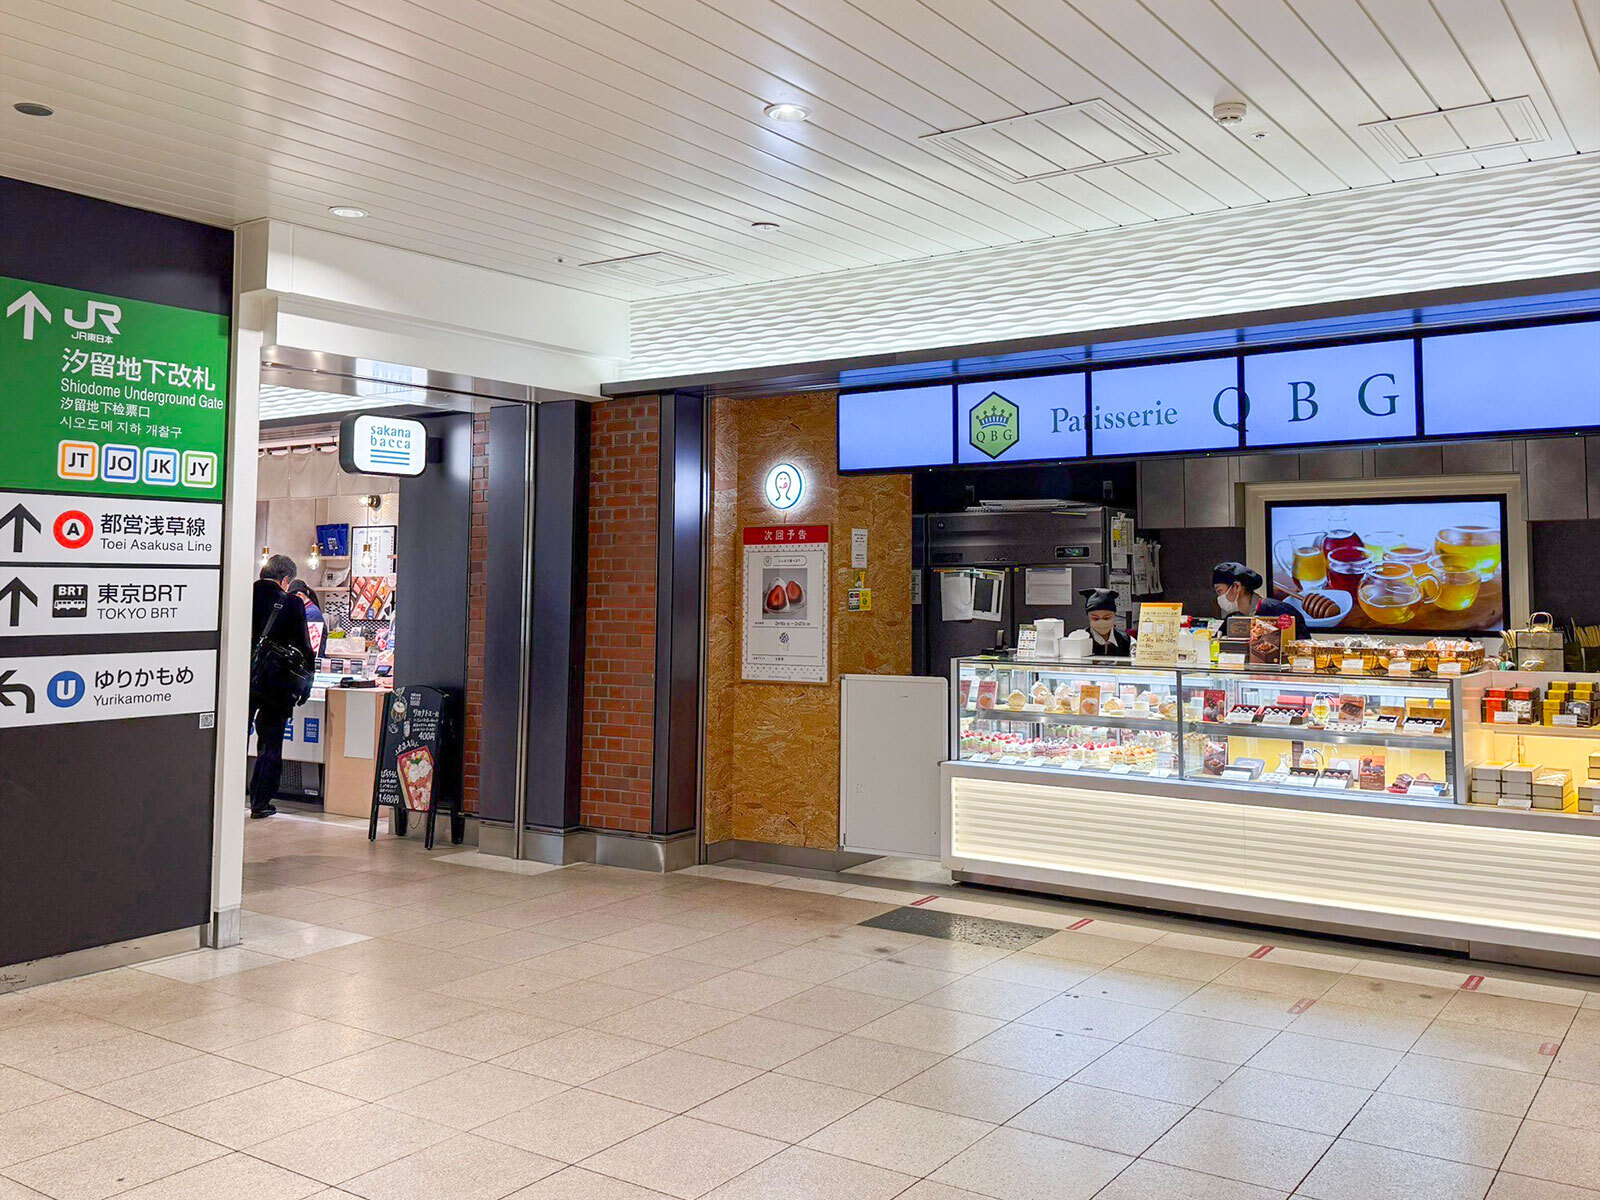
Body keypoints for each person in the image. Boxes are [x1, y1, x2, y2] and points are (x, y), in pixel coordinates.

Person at [250, 554, 313, 819]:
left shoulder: (242, 594)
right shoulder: (292, 603)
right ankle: (260, 802)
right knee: (270, 745)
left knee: (231, 738)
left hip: (240, 680)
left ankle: (225, 796)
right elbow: (304, 647)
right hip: (275, 686)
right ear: (286, 579)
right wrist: (307, 683)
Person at [1213, 560, 1309, 640]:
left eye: (1219, 591)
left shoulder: (1280, 611)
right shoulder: (1231, 620)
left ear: (1236, 586)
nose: (1219, 597)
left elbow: (1303, 647)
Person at [1081, 587, 1131, 657]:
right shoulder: (1080, 639)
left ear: (1114, 615)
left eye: (1106, 618)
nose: (1101, 622)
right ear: (1088, 616)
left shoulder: (1127, 640)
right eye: (1095, 618)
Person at [290, 580, 326, 657]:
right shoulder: (307, 609)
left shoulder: (311, 612)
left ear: (299, 595)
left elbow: (310, 642)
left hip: (313, 659)